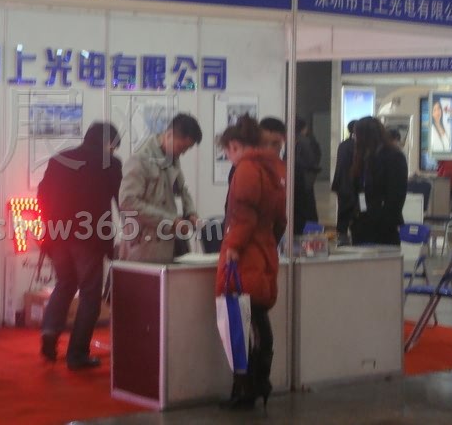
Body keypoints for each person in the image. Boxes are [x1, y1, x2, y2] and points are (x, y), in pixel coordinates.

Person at [37, 122, 122, 370]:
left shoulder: (59, 159)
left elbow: (42, 195)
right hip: (89, 238)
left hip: (57, 236)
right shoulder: (110, 164)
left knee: (64, 284)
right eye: (114, 146)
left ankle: (49, 333)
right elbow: (121, 198)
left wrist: (52, 224)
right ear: (108, 143)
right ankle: (77, 353)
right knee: (90, 295)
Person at [215, 116, 286, 410]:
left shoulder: (245, 169)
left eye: (227, 151)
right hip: (265, 249)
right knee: (258, 317)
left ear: (235, 145)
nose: (228, 157)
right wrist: (268, 241)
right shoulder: (274, 169)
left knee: (238, 323)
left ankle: (246, 388)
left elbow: (242, 214)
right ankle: (260, 381)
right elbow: (281, 219)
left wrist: (233, 245)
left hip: (245, 254)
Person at [119, 113, 201, 263]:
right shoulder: (140, 159)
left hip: (169, 242)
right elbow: (128, 202)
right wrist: (170, 221)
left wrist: (190, 212)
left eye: (187, 149)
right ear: (169, 134)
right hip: (144, 245)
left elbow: (182, 189)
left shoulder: (172, 157)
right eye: (181, 147)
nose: (183, 153)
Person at [350, 116, 407, 246]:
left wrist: (381, 219)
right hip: (362, 223)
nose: (355, 139)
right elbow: (359, 189)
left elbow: (396, 196)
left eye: (356, 135)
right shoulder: (364, 157)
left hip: (383, 228)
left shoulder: (394, 157)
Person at [331, 120, 357, 246]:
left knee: (342, 212)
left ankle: (341, 238)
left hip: (341, 184)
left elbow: (339, 166)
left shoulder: (343, 144)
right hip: (352, 185)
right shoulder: (357, 146)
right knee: (355, 212)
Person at [293, 116, 320, 235]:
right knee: (307, 209)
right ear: (304, 128)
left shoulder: (297, 140)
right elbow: (312, 161)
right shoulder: (306, 141)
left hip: (300, 179)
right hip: (303, 180)